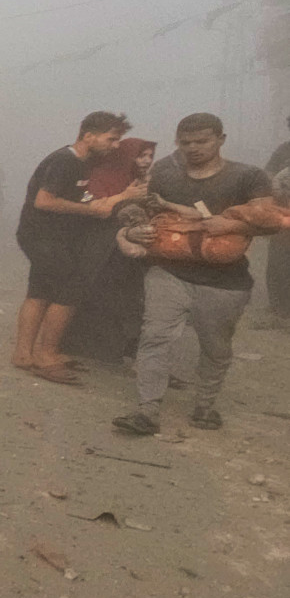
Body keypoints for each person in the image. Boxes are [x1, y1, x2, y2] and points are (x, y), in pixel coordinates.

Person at [112, 113, 275, 436]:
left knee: (215, 346)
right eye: (186, 143)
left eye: (202, 141)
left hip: (225, 281)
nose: (193, 148)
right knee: (155, 337)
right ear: (177, 143)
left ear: (221, 139)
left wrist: (231, 225)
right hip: (168, 271)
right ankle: (147, 410)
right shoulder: (163, 174)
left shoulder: (248, 177)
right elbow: (135, 208)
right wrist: (131, 230)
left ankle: (205, 406)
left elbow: (270, 221)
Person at [12, 111, 145, 384]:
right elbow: (44, 201)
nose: (115, 145)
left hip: (48, 237)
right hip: (43, 237)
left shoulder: (85, 162)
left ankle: (23, 354)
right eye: (111, 139)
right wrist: (88, 210)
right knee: (69, 292)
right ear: (88, 135)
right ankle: (47, 355)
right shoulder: (65, 161)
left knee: (39, 291)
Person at [62, 138, 157, 362]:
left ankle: (126, 350)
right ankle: (90, 349)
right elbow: (91, 205)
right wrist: (124, 200)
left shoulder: (143, 180)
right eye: (141, 155)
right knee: (100, 298)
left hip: (129, 254)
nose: (146, 161)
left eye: (150, 156)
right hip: (100, 250)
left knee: (130, 300)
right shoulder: (101, 177)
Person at [265, 121, 290, 318]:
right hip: (284, 216)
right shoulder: (283, 151)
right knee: (279, 263)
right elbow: (269, 177)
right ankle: (279, 308)